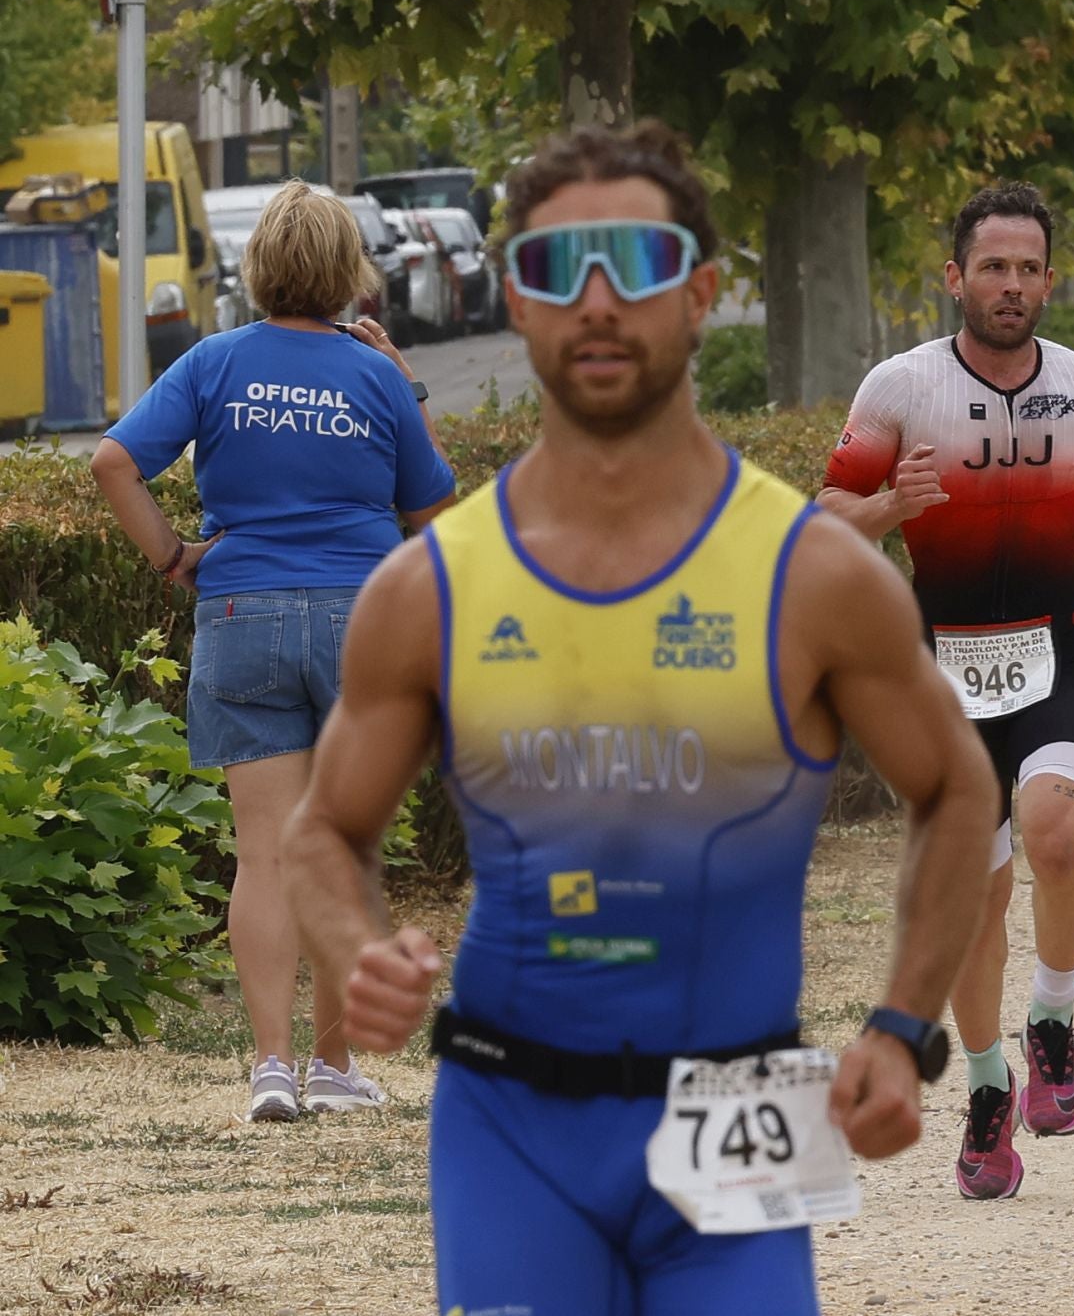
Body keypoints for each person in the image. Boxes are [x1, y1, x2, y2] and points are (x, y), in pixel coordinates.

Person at [281, 122, 997, 1314]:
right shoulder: (430, 586)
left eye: (638, 263)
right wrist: (360, 949)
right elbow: (320, 830)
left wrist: (901, 1025)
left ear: (701, 290)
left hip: (743, 1114)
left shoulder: (813, 572)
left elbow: (958, 785)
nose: (598, 301)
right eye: (561, 269)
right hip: (507, 1123)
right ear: (516, 297)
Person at [818, 182, 1074, 1199]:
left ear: (1049, 280)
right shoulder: (900, 386)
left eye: (1028, 269)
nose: (1011, 285)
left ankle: (1052, 1017)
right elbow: (830, 515)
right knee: (976, 891)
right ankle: (984, 1086)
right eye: (993, 267)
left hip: (1058, 654)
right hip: (943, 675)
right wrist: (890, 501)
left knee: (1058, 836)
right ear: (956, 278)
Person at [89, 180, 455, 1123]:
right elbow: (431, 512)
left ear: (258, 269)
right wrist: (401, 375)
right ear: (348, 272)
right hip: (361, 625)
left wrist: (176, 556)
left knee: (263, 855)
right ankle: (334, 1068)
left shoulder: (213, 362)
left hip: (242, 612)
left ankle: (269, 1066)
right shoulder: (373, 375)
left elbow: (113, 462)